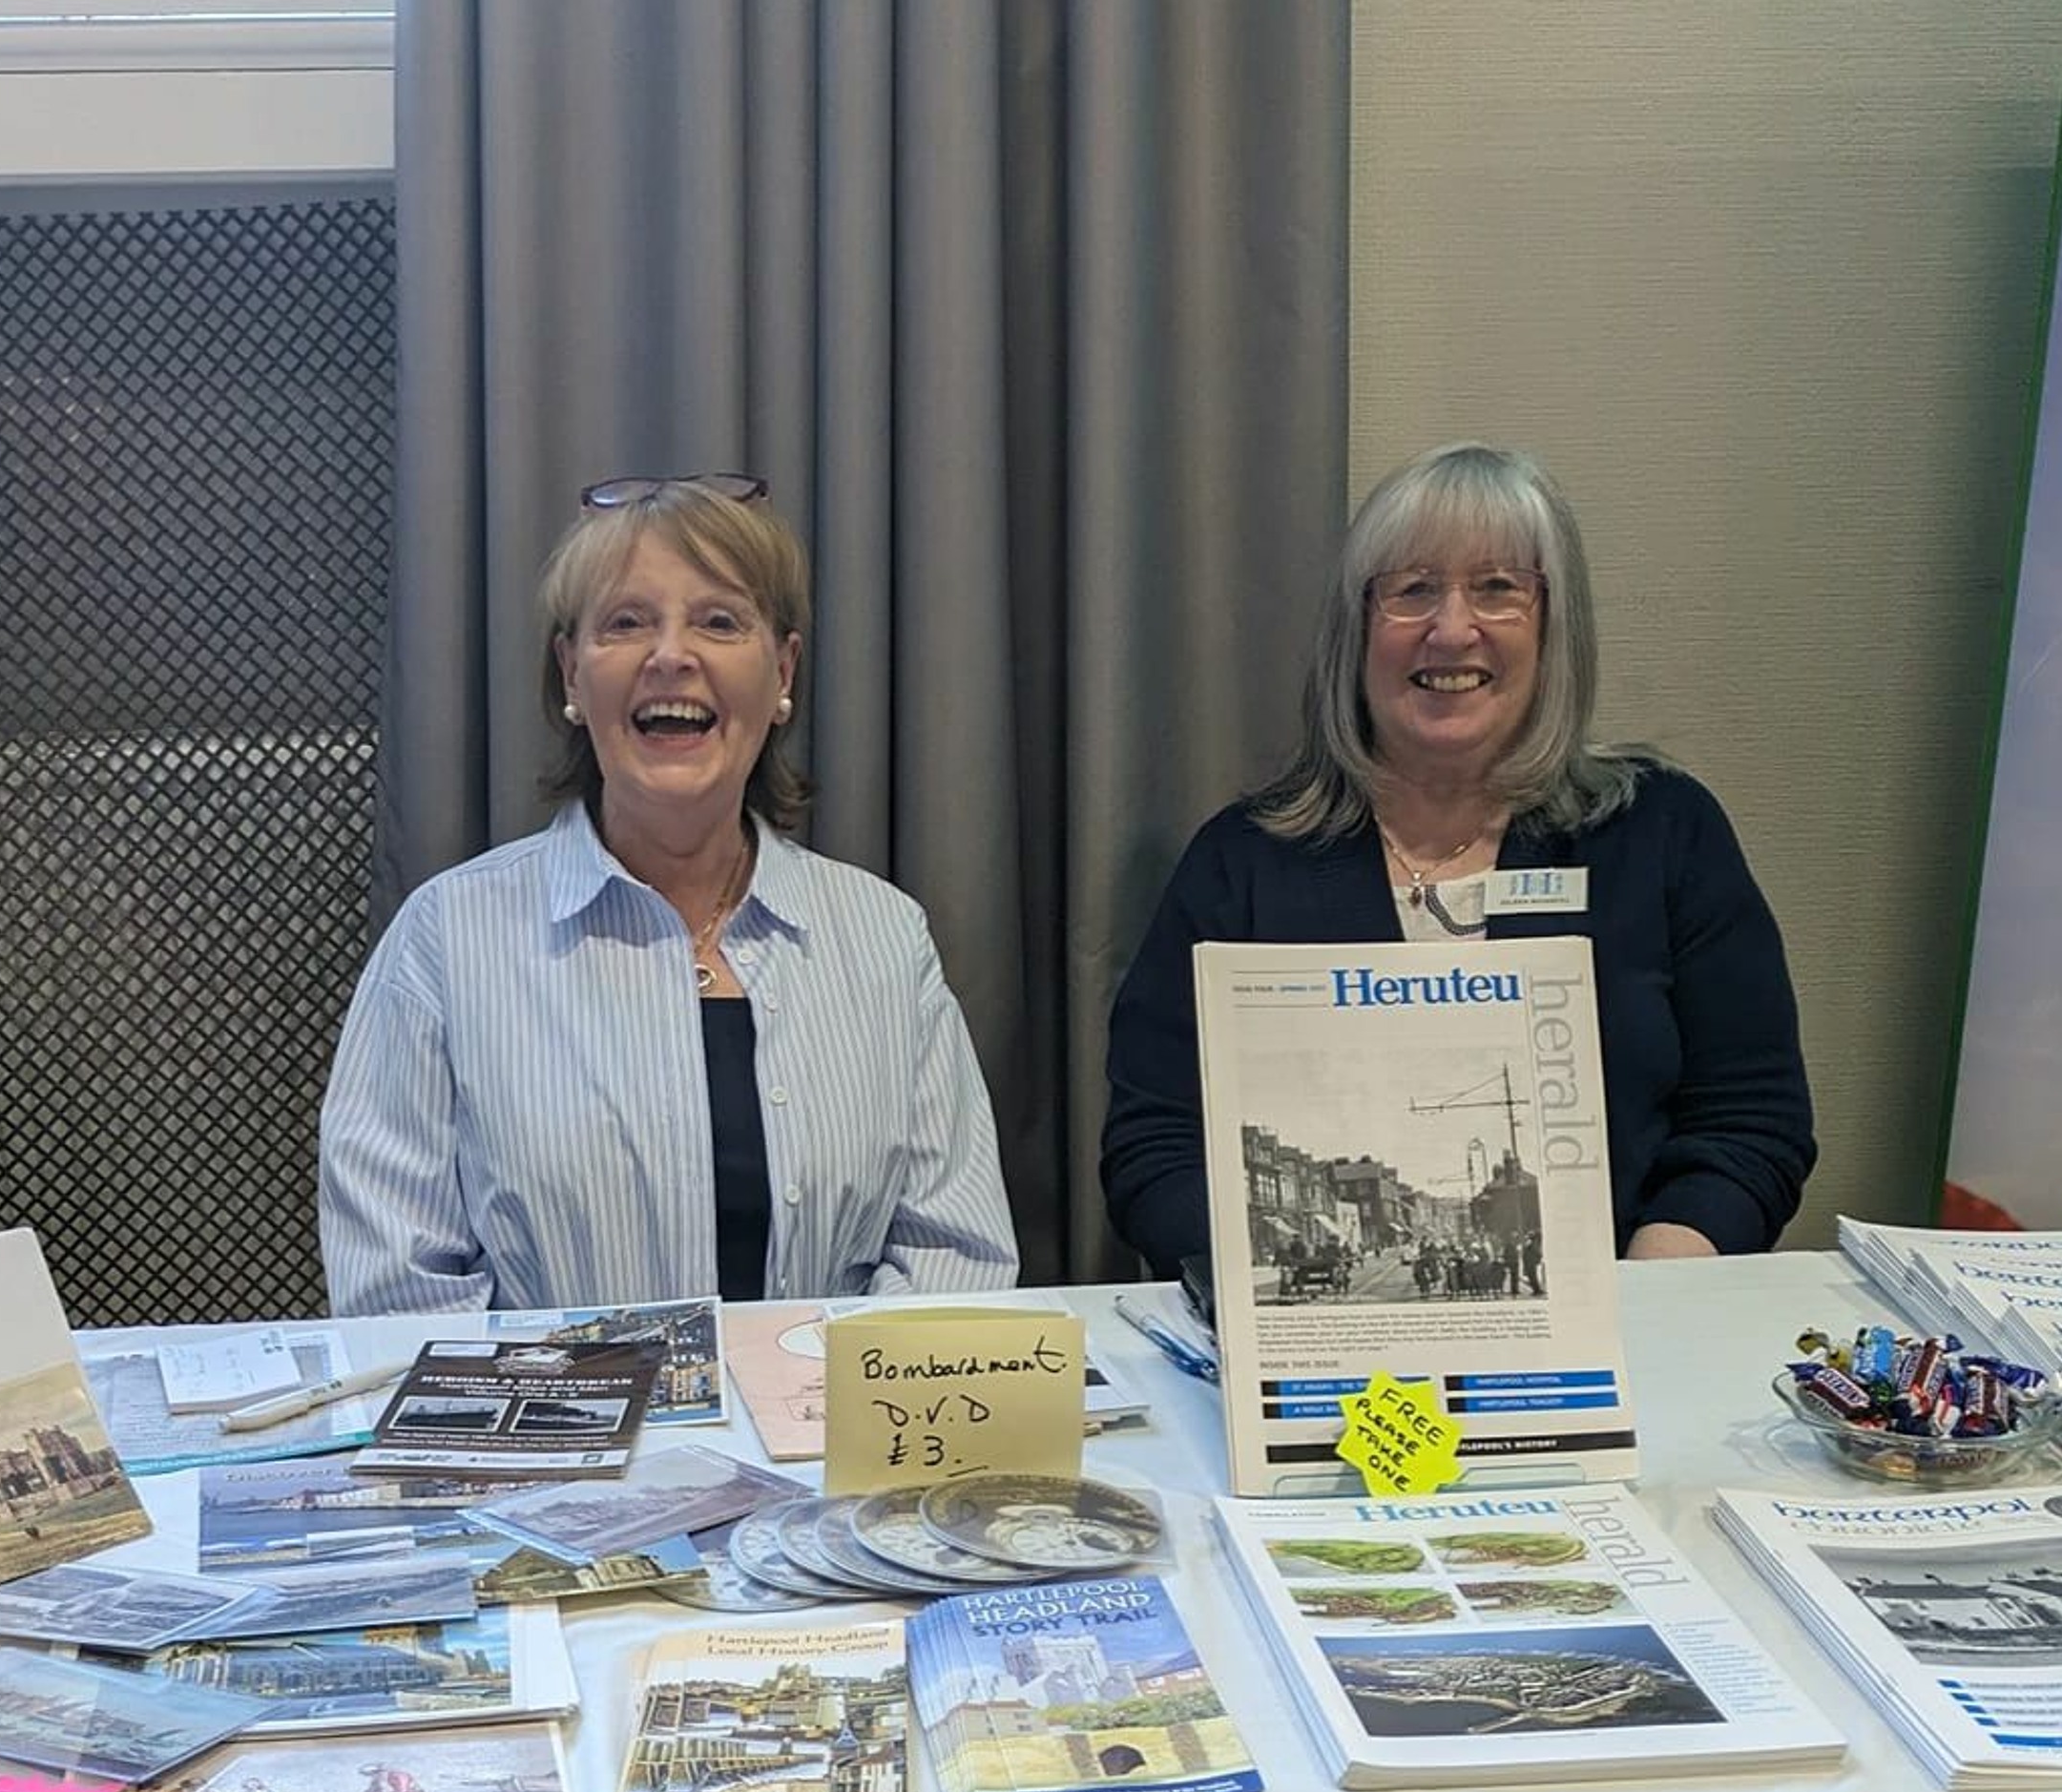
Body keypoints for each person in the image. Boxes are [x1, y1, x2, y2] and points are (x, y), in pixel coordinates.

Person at [1101, 443, 1813, 1282]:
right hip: (1317, 1336)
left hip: (1634, 1318)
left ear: (1553, 627)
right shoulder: (1244, 862)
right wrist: (1278, 1288)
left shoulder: (1664, 832)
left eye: (1498, 588)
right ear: (1357, 630)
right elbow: (1154, 1142)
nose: (1450, 629)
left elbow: (1748, 1124)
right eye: (1412, 590)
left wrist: (1649, 1289)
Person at [321, 475, 1016, 1314]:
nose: (671, 655)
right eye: (625, 622)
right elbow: (397, 1297)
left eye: (719, 622)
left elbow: (955, 1259)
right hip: (547, 1407)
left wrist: (810, 1395)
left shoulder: (884, 936)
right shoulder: (444, 939)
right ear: (571, 674)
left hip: (828, 1406)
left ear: (782, 671)